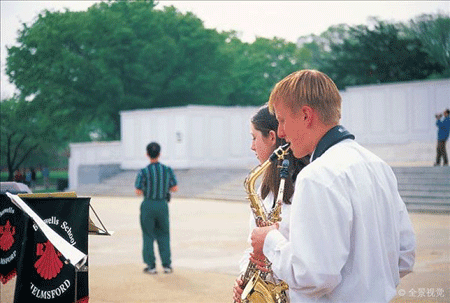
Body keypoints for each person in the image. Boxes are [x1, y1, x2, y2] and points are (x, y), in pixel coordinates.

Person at [250, 70, 416, 302]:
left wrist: (269, 240)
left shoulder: (316, 176)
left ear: (306, 115)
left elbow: (312, 276)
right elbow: (405, 256)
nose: (280, 132)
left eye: (282, 120)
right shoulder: (378, 166)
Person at [233, 105, 309, 302]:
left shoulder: (306, 186)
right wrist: (245, 279)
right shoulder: (263, 190)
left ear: (272, 137)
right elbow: (252, 249)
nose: (251, 146)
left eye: (254, 137)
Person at [135, 142, 178, 274]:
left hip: (148, 204)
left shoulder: (143, 171)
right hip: (162, 205)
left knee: (148, 235)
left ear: (147, 154)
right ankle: (166, 265)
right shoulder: (167, 170)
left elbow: (138, 191)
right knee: (164, 234)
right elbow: (174, 188)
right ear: (159, 154)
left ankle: (151, 265)